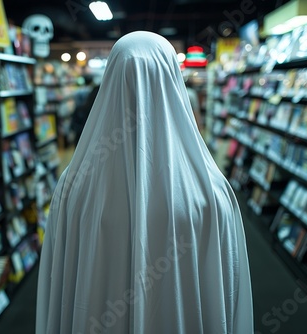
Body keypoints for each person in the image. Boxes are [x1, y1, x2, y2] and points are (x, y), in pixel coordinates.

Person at [36, 31, 253, 334]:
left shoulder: (72, 187)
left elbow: (59, 286)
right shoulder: (211, 192)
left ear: (109, 80)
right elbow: (225, 288)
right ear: (173, 83)